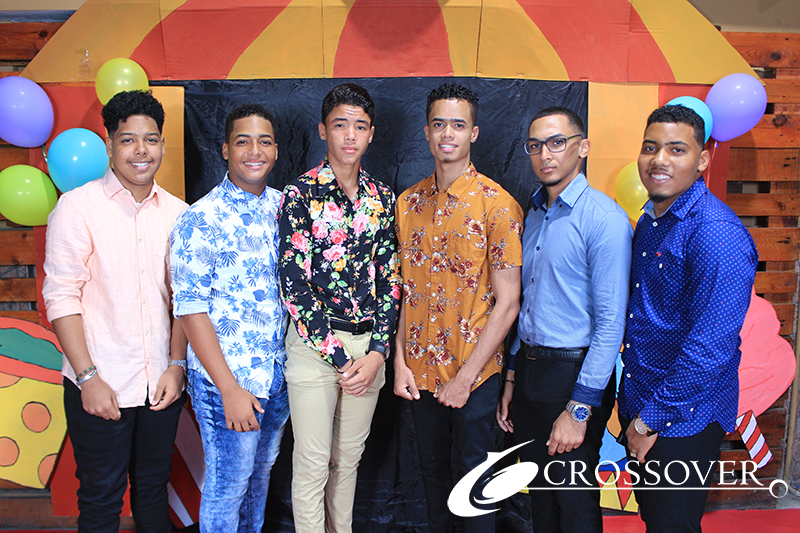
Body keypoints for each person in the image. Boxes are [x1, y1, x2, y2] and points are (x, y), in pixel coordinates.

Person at [43, 90, 188, 533]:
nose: (141, 151)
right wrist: (87, 377)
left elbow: (184, 301)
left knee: (153, 490)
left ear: (162, 145)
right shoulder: (77, 208)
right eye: (128, 140)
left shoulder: (180, 214)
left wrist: (176, 365)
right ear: (109, 145)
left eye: (150, 139)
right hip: (100, 381)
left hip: (160, 384)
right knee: (101, 498)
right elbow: (61, 296)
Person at [619, 104, 758, 532]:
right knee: (655, 519)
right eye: (650, 148)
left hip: (683, 418)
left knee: (672, 525)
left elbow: (710, 349)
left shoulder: (716, 233)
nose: (659, 160)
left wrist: (649, 421)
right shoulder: (652, 219)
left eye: (676, 149)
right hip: (644, 402)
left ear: (702, 160)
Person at [393, 82, 523, 533]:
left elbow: (508, 302)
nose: (448, 133)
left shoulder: (498, 206)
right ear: (427, 132)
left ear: (474, 133)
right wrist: (399, 363)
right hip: (420, 373)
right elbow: (405, 292)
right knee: (431, 479)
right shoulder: (407, 203)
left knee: (473, 488)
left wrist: (466, 379)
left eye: (458, 125)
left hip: (475, 374)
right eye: (439, 124)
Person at [497, 106, 632, 533]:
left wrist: (579, 408)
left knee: (573, 500)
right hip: (530, 370)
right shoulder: (535, 214)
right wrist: (513, 377)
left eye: (557, 142)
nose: (545, 154)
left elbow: (611, 323)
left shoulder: (604, 219)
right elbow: (527, 305)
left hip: (574, 374)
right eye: (535, 145)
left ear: (583, 147)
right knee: (541, 496)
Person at [278, 83, 401, 533]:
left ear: (371, 134)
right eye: (340, 125)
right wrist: (341, 359)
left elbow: (391, 279)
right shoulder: (300, 195)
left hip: (367, 349)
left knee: (346, 461)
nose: (350, 135)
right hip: (315, 347)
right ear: (322, 130)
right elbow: (294, 284)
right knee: (312, 462)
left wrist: (378, 353)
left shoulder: (382, 197)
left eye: (360, 127)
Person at [169, 104, 289, 532]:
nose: (254, 151)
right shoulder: (199, 218)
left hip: (276, 376)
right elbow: (189, 309)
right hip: (228, 380)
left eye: (264, 141)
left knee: (259, 480)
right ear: (225, 150)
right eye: (243, 141)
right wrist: (229, 390)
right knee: (227, 486)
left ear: (276, 150)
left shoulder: (285, 208)